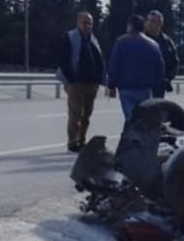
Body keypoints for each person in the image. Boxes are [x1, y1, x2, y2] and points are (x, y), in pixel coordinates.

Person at [105, 14, 166, 130]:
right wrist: (156, 83)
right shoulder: (153, 44)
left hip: (126, 89)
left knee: (132, 120)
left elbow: (114, 65)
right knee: (144, 118)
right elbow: (160, 68)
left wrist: (111, 85)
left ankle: (133, 144)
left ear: (129, 26)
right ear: (143, 27)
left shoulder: (121, 42)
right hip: (146, 89)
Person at [56, 12, 105, 152]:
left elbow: (100, 60)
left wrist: (102, 80)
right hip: (76, 83)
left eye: (90, 23)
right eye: (85, 22)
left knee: (87, 115)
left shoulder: (93, 39)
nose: (88, 25)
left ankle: (82, 140)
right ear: (78, 23)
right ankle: (72, 142)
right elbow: (64, 60)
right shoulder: (70, 37)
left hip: (92, 84)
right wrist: (70, 80)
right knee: (75, 114)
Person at [145, 10, 179, 98]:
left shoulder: (167, 42)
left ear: (161, 23)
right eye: (151, 21)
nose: (154, 24)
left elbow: (175, 62)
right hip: (142, 84)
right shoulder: (140, 39)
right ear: (147, 22)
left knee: (156, 109)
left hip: (160, 85)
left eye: (157, 22)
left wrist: (168, 78)